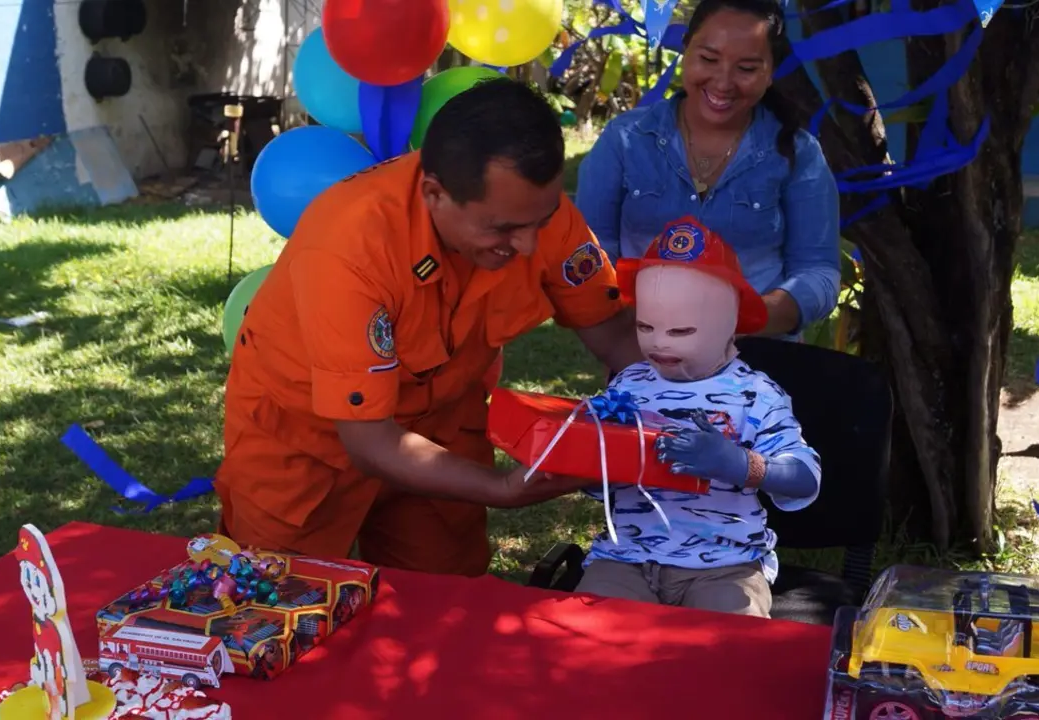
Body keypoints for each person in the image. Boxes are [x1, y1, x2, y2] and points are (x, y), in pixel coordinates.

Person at [215, 79, 643, 577]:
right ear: (434, 193)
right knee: (279, 605)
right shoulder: (349, 245)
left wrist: (706, 394)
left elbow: (613, 334)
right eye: (502, 229)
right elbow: (372, 441)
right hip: (306, 443)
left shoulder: (535, 213)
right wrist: (502, 489)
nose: (528, 246)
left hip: (442, 426)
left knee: (441, 609)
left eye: (542, 220)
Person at [575, 218, 821, 618]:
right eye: (645, 326)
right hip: (625, 559)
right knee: (590, 634)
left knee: (727, 650)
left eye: (681, 330)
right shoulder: (628, 385)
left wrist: (743, 464)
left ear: (730, 324)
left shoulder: (756, 396)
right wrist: (583, 458)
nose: (658, 342)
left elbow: (805, 477)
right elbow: (597, 483)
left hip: (725, 567)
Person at [574, 0, 842, 340]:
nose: (723, 82)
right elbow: (590, 252)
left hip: (759, 362)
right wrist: (638, 326)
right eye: (709, 59)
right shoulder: (626, 140)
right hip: (643, 357)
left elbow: (818, 271)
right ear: (686, 49)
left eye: (746, 68)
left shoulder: (797, 153)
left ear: (770, 72)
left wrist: (750, 318)